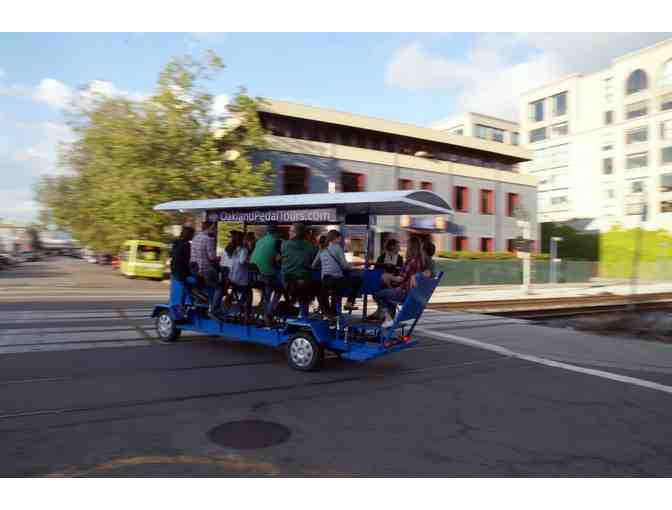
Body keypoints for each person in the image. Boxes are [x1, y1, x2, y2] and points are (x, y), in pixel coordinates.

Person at [372, 236, 425, 328]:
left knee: (377, 294)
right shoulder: (420, 261)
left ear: (411, 248)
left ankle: (388, 318)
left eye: (407, 246)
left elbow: (400, 279)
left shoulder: (411, 261)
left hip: (404, 293)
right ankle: (388, 318)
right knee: (387, 293)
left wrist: (388, 276)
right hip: (412, 294)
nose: (405, 248)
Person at [312, 229, 362, 315]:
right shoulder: (337, 247)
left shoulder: (322, 249)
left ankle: (333, 316)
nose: (340, 240)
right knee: (358, 280)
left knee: (336, 292)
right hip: (336, 280)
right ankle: (349, 303)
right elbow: (344, 265)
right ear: (335, 238)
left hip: (325, 281)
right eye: (339, 238)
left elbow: (314, 265)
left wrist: (324, 265)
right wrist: (352, 267)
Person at [281, 222, 318, 318]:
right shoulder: (311, 246)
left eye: (290, 231)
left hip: (288, 283)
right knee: (309, 291)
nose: (289, 232)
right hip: (304, 282)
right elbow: (315, 259)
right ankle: (304, 315)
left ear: (296, 233)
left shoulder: (284, 245)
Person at [250, 225, 283, 325]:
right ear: (276, 232)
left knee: (267, 288)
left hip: (254, 275)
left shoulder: (259, 241)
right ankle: (268, 313)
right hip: (267, 274)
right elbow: (280, 258)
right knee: (280, 289)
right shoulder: (277, 241)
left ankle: (264, 312)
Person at [190, 221, 219, 315]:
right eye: (214, 228)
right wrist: (218, 258)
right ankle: (214, 308)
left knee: (205, 286)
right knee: (220, 287)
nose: (215, 230)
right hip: (205, 270)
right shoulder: (208, 239)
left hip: (195, 270)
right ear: (210, 228)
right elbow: (211, 257)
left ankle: (202, 301)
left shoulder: (195, 237)